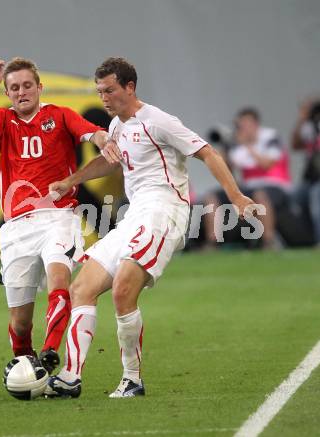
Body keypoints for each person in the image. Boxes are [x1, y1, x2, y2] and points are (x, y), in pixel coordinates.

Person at [45, 57, 255, 398]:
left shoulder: (158, 121)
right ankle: (70, 377)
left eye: (110, 90)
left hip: (165, 212)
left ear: (130, 87)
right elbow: (107, 161)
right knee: (81, 287)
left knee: (122, 291)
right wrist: (69, 181)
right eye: (100, 92)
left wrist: (237, 196)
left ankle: (132, 379)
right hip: (135, 215)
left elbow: (208, 153)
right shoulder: (116, 127)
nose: (104, 98)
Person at [0, 58, 111, 373]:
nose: (22, 92)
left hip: (59, 217)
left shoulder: (59, 116)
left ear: (39, 87)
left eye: (27, 85)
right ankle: (26, 363)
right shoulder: (4, 121)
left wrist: (104, 139)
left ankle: (50, 350)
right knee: (20, 324)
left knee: (59, 278)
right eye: (14, 88)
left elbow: (91, 134)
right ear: (7, 93)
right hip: (17, 228)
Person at [203, 108, 292, 249]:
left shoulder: (270, 137)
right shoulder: (237, 143)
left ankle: (268, 241)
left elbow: (266, 165)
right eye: (241, 124)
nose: (243, 128)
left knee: (260, 195)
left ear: (256, 124)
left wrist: (247, 144)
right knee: (211, 198)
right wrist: (225, 147)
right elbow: (227, 171)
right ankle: (212, 242)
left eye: (246, 124)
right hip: (248, 186)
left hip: (274, 184)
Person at [291, 97, 320, 246]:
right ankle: (306, 239)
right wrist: (302, 119)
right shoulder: (308, 127)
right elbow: (295, 144)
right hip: (311, 176)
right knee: (294, 200)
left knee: (317, 204)